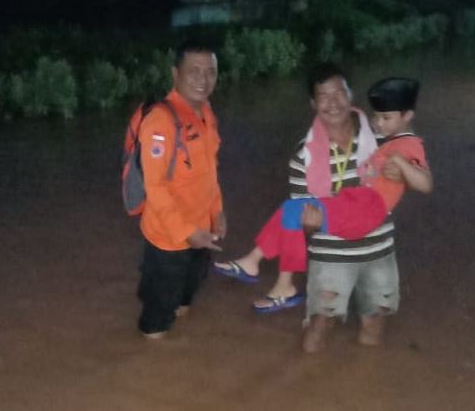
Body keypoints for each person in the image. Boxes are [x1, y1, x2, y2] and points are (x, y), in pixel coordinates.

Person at [227, 78, 432, 290]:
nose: (378, 123)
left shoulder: (409, 144)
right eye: (376, 116)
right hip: (359, 203)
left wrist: (401, 166)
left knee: (293, 211)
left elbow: (425, 183)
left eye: (386, 117)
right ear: (313, 103)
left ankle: (272, 276)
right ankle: (268, 273)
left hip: (368, 210)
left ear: (407, 116)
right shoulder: (377, 138)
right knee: (293, 210)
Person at [213, 64, 378, 313]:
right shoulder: (305, 155)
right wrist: (309, 225)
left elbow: (402, 170)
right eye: (324, 96)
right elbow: (301, 224)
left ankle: (267, 272)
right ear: (313, 104)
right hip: (335, 231)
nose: (333, 102)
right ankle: (274, 279)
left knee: (372, 326)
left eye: (339, 93)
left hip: (369, 226)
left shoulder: (375, 135)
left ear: (351, 94)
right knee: (293, 212)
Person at [136, 40, 226, 340]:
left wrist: (218, 212)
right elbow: (155, 187)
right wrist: (187, 231)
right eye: (195, 71)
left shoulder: (206, 113)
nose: (203, 80)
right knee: (156, 326)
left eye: (211, 72)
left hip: (202, 234)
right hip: (168, 238)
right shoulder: (161, 121)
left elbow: (209, 170)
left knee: (186, 301)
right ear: (176, 74)